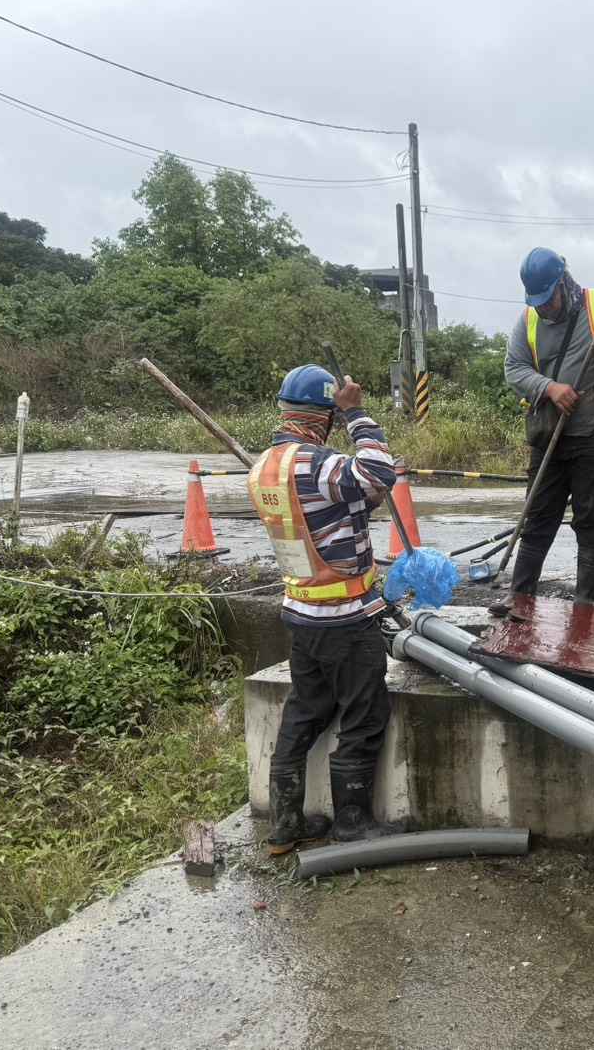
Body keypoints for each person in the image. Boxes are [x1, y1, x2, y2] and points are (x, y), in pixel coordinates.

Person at [246, 365, 397, 854]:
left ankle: (285, 825)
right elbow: (378, 473)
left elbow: (321, 515)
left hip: (301, 612)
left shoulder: (264, 465)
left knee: (305, 712)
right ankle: (352, 823)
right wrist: (359, 415)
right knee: (364, 714)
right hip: (345, 619)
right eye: (335, 414)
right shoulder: (317, 462)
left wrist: (361, 501)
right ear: (326, 414)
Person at [497, 247, 594, 612]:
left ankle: (584, 601)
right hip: (550, 436)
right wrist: (549, 389)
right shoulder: (529, 321)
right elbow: (514, 369)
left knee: (589, 519)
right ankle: (520, 597)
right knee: (537, 516)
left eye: (549, 298)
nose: (544, 307)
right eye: (537, 301)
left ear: (564, 283)